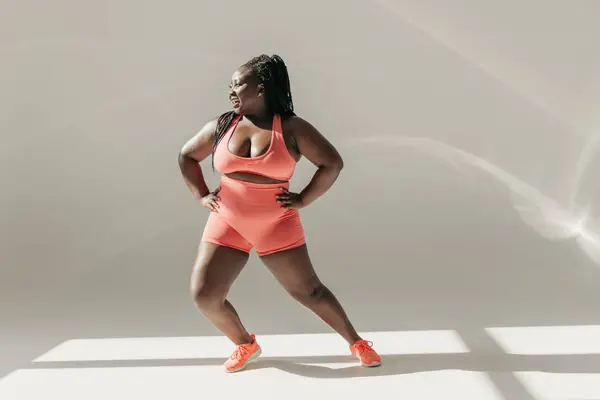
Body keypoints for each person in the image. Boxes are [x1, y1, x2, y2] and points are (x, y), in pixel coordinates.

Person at [178, 54, 382, 373]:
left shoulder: (291, 127)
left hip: (276, 223)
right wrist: (202, 195)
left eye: (237, 84)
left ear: (260, 88)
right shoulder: (222, 125)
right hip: (227, 221)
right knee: (205, 295)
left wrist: (303, 199)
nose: (231, 90)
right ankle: (245, 343)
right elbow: (187, 156)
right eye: (229, 85)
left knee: (310, 292)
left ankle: (356, 341)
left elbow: (332, 163)